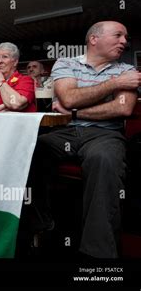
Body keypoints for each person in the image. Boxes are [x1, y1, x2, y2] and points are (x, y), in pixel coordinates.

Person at [29, 21, 141, 258]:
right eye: (118, 35)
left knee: (104, 160)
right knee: (30, 150)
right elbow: (68, 98)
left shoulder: (127, 70)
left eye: (126, 37)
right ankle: (41, 224)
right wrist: (114, 84)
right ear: (94, 39)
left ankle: (97, 252)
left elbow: (123, 108)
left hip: (105, 133)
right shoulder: (66, 63)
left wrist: (77, 112)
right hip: (65, 132)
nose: (124, 41)